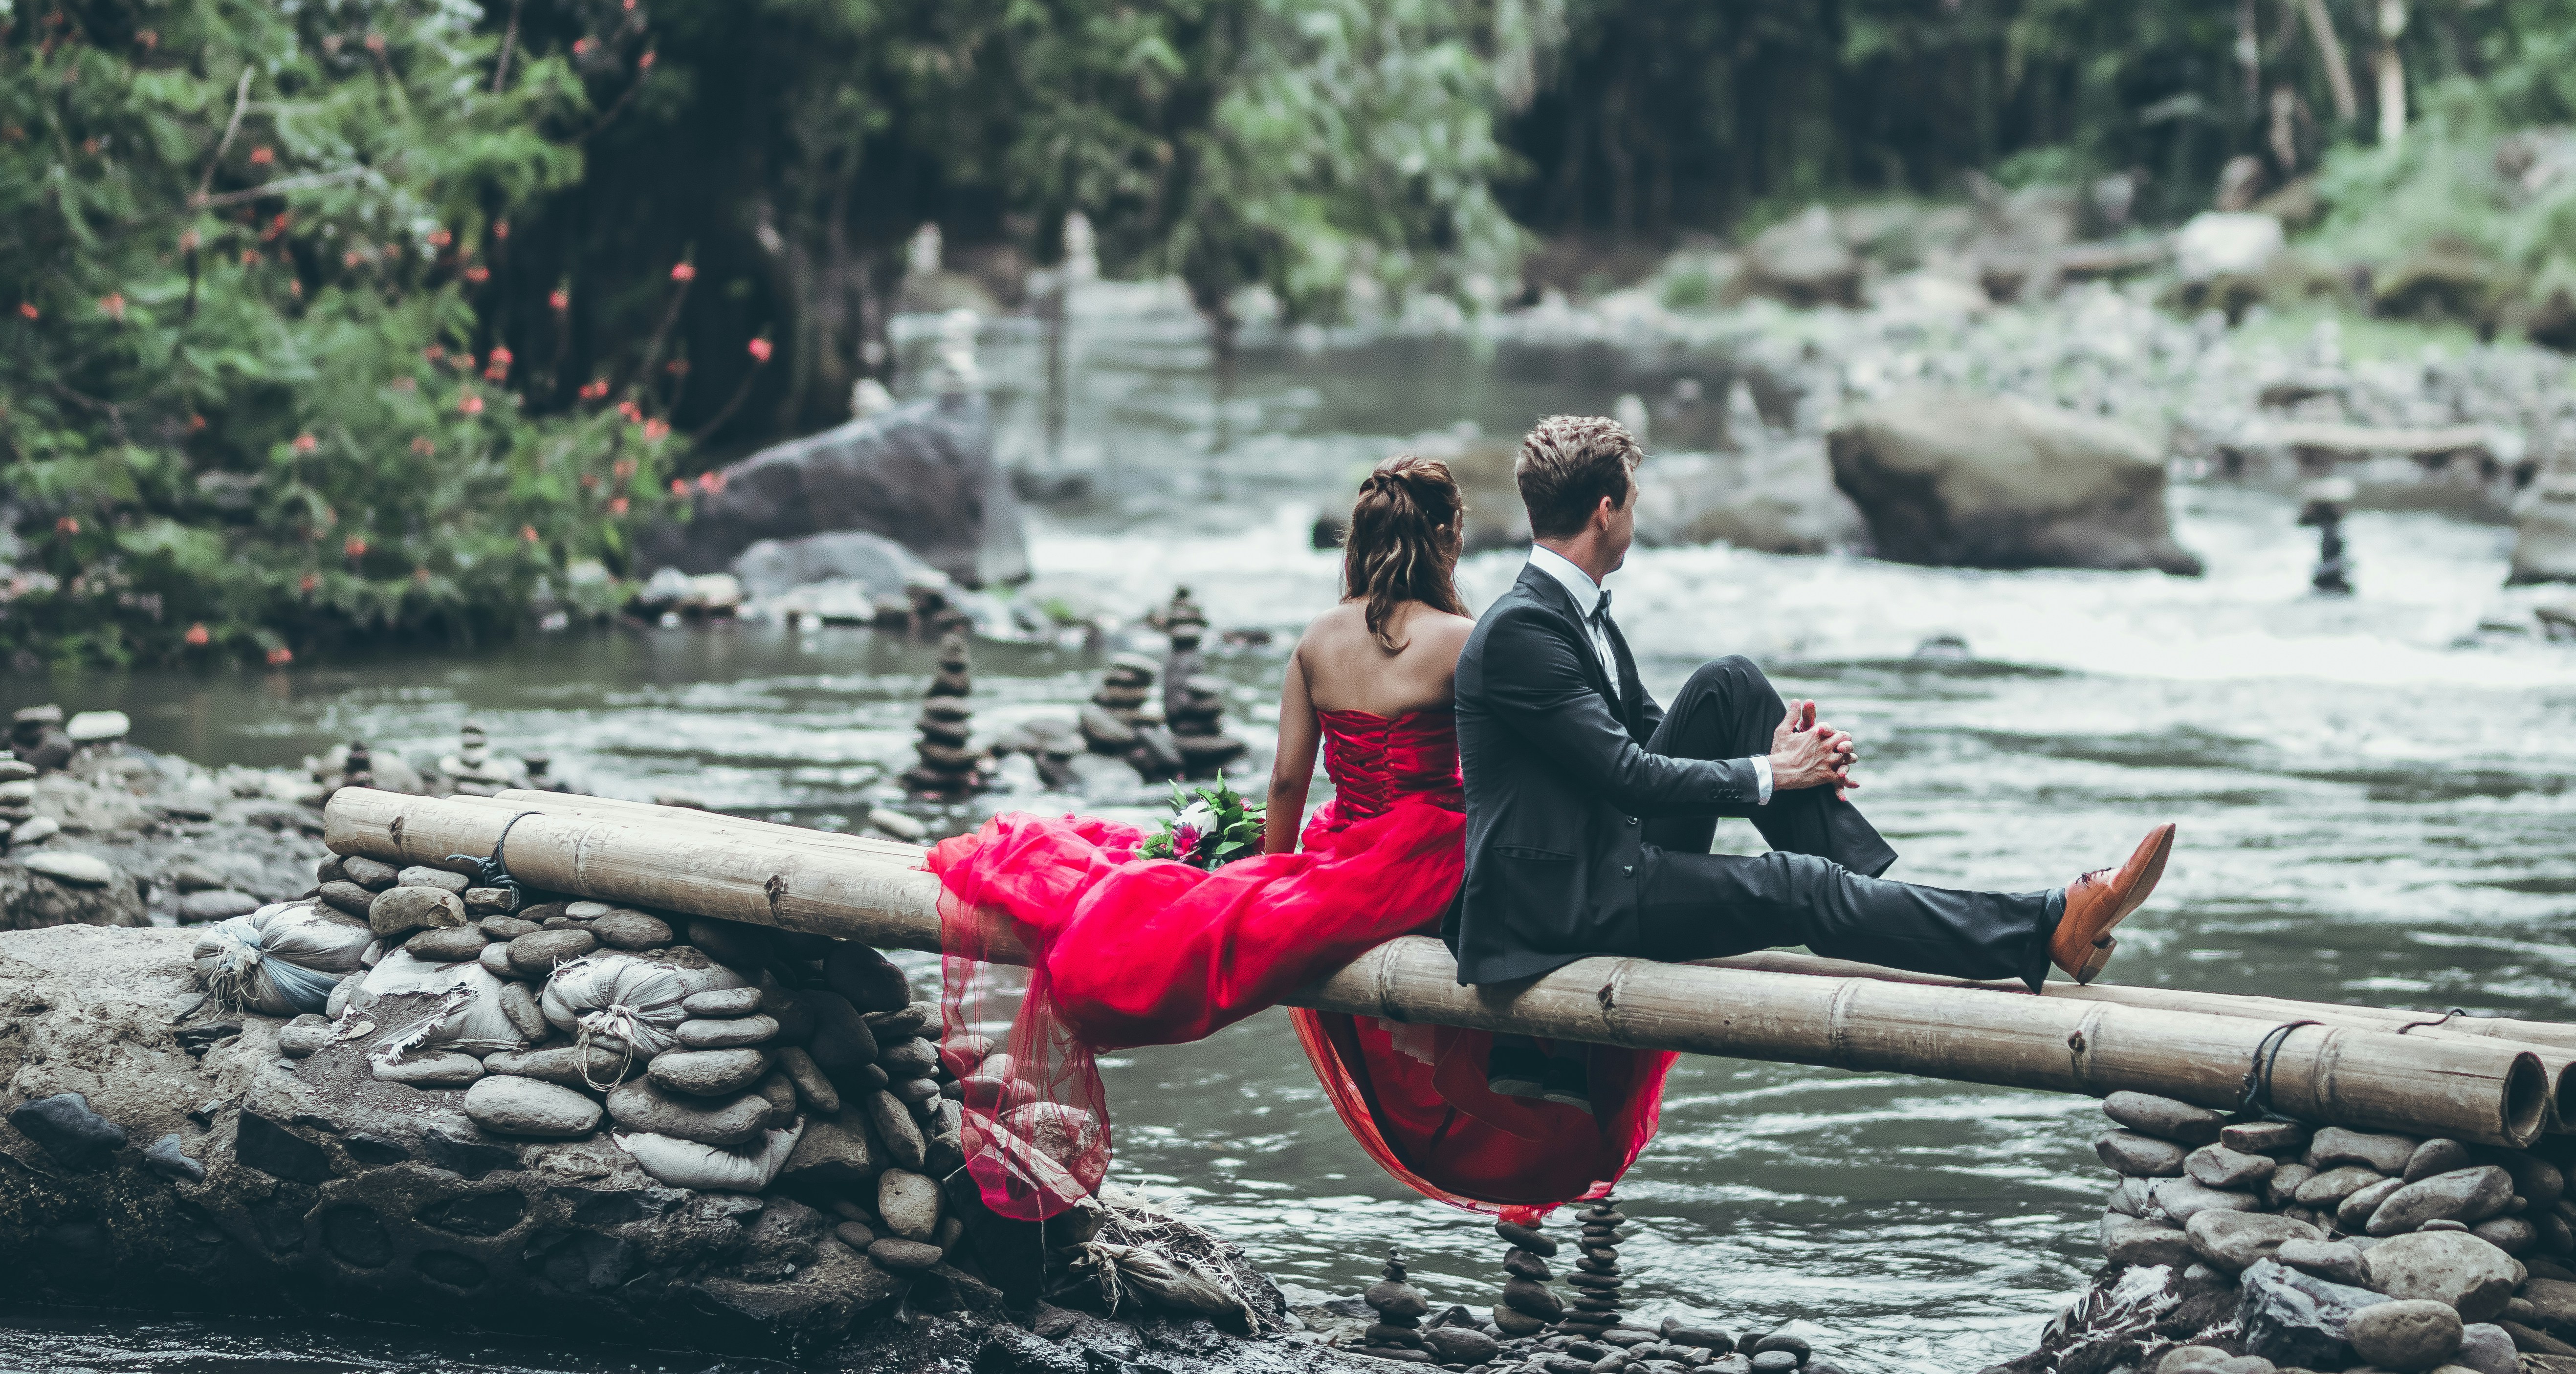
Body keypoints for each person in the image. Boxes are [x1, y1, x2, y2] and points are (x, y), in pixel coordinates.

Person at [931, 454, 1641, 1219]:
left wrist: (1274, 877)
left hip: (1343, 841)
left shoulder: (1316, 640)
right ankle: (1543, 1084)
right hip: (1435, 847)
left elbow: (1285, 784)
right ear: (1448, 538)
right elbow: (1511, 769)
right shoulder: (1467, 640)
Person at [1451, 413, 2174, 1106]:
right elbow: (1629, 775)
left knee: (1728, 684)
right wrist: (1775, 775)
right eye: (1634, 503)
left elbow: (1649, 734)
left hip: (1599, 856)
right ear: (1606, 511)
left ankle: (1866, 893)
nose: (1637, 520)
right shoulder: (1524, 630)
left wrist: (1786, 756)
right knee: (1802, 888)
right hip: (1561, 902)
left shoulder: (1577, 610)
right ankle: (2042, 923)